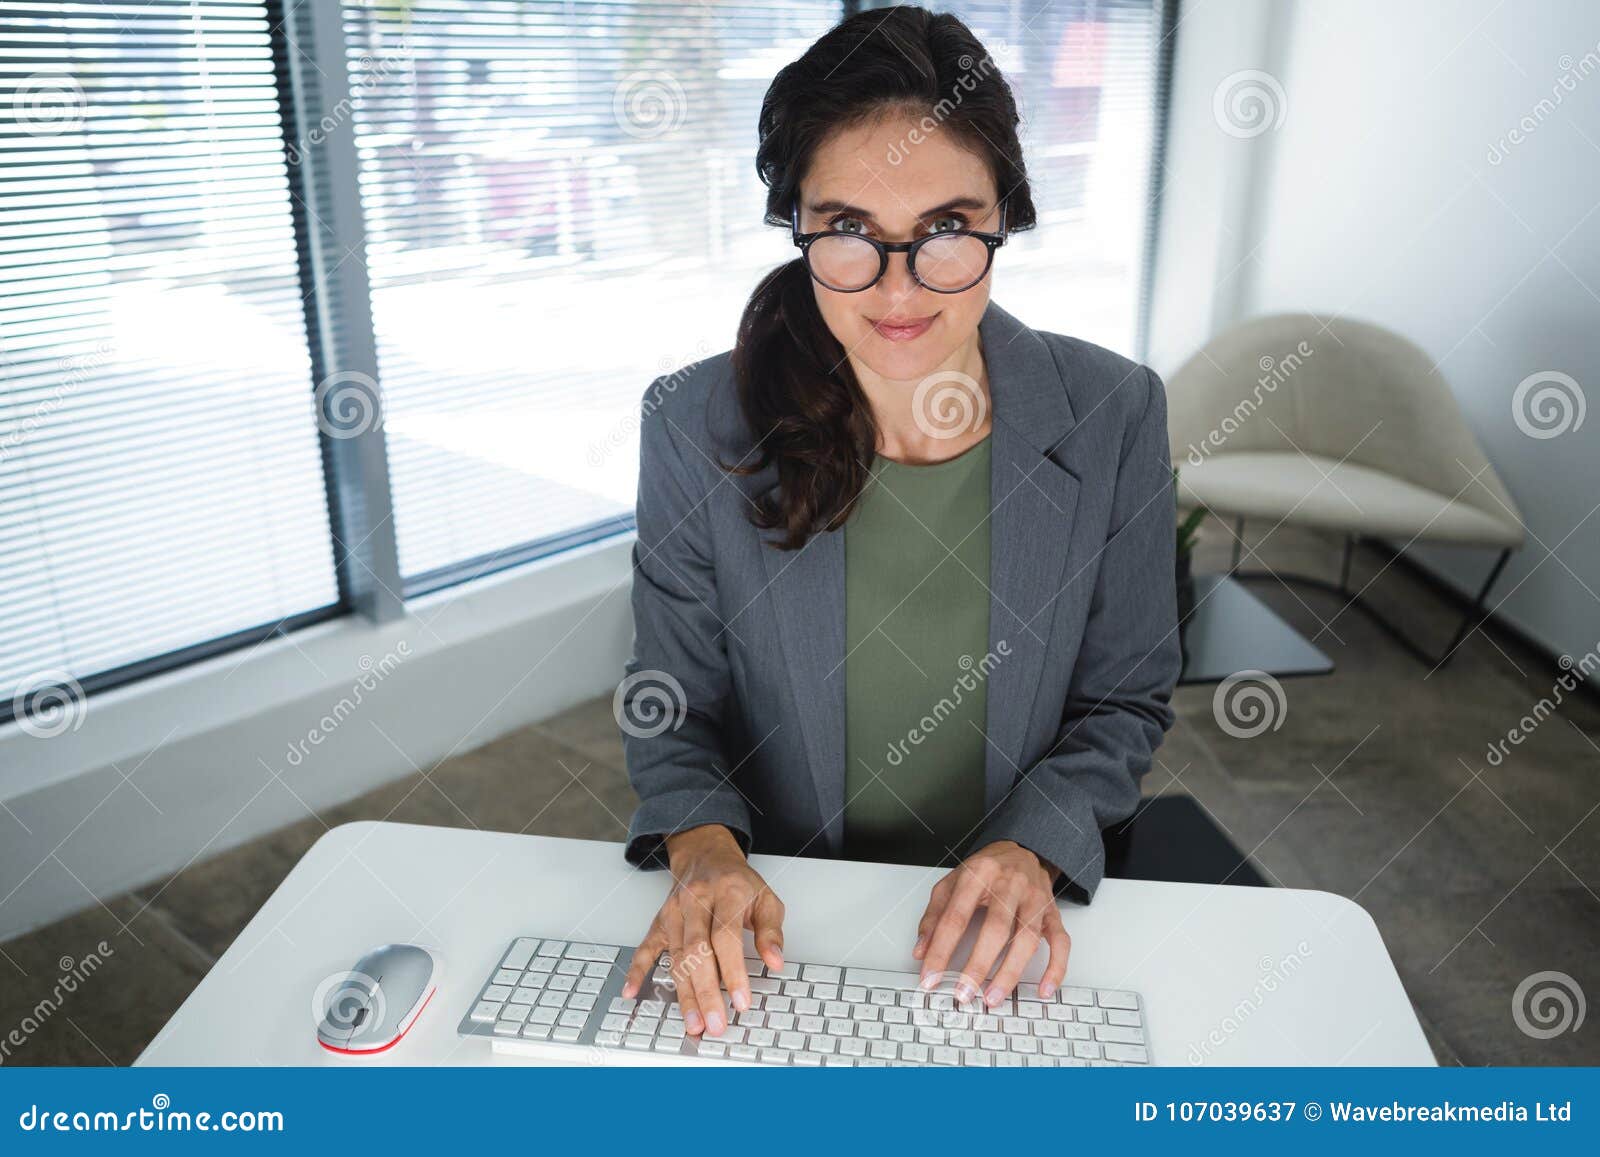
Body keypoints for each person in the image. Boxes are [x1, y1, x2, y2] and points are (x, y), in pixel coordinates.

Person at [616, 5, 1179, 1042]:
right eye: (848, 234)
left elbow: (1124, 697)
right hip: (786, 910)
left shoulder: (1114, 411)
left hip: (999, 918)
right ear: (798, 224)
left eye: (946, 231)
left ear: (1006, 214)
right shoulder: (692, 422)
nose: (898, 287)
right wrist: (703, 850)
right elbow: (671, 705)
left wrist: (1034, 848)